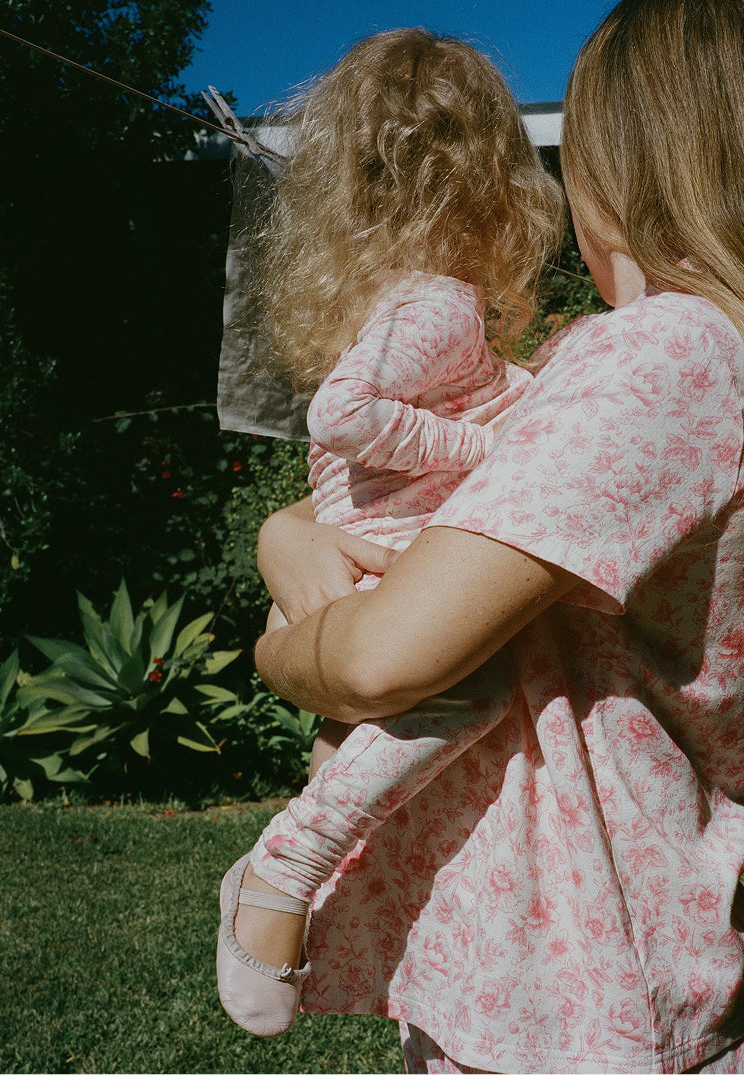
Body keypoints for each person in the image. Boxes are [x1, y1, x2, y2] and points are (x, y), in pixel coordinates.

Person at [243, 0, 744, 1070]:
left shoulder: (657, 360)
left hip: (576, 998)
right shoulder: (707, 360)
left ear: (608, 169)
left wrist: (279, 644)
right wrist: (284, 531)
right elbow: (454, 510)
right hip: (582, 970)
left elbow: (377, 659)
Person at [214, 27, 563, 1039]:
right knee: (468, 691)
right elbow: (342, 418)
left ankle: (289, 878)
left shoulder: (407, 301)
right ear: (496, 182)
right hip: (392, 554)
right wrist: (477, 450)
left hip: (367, 545)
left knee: (364, 748)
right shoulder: (441, 304)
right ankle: (284, 871)